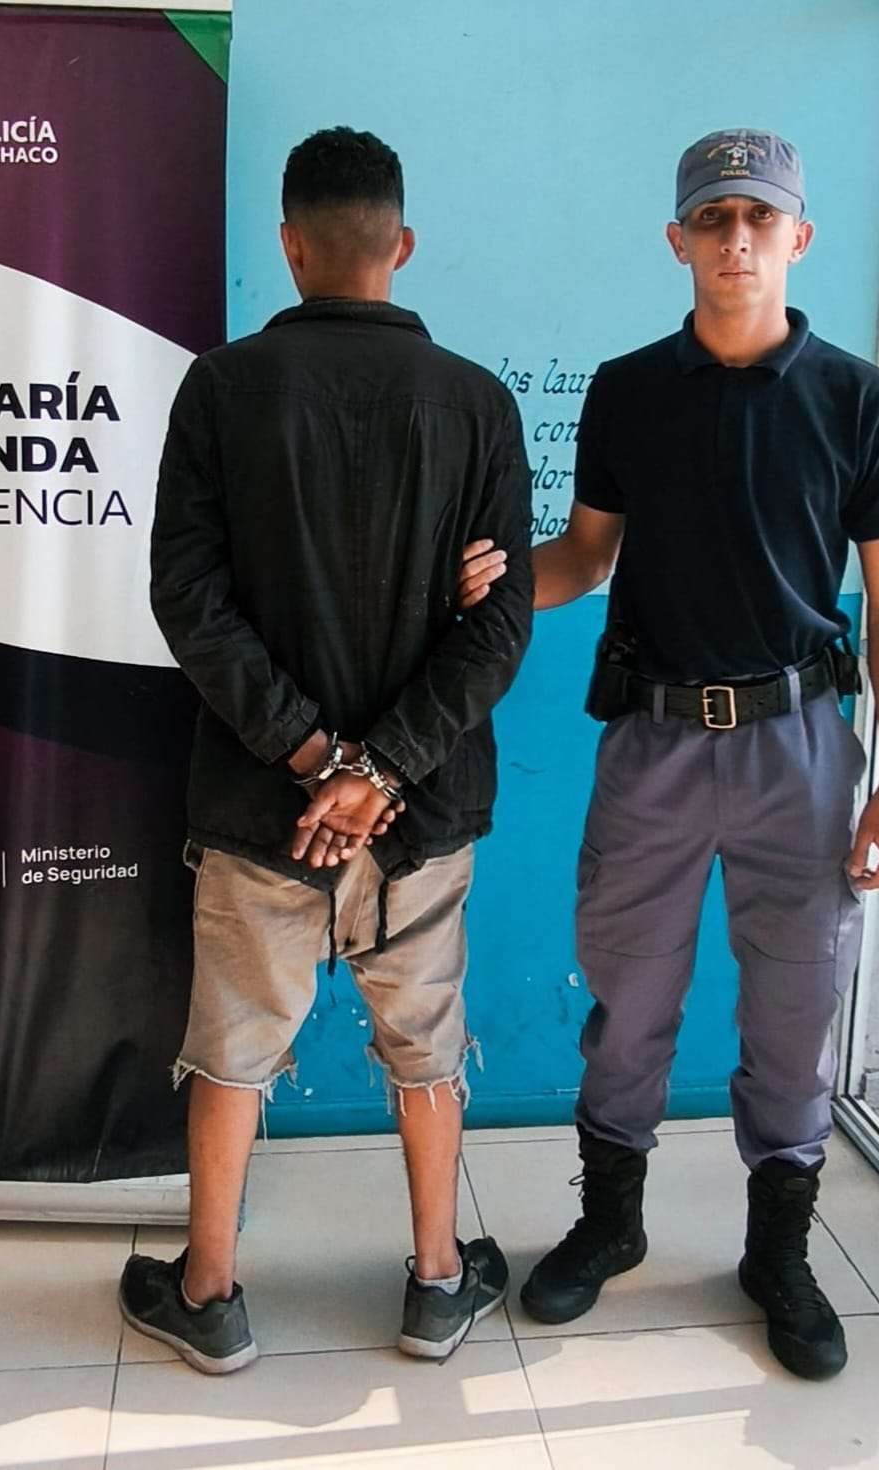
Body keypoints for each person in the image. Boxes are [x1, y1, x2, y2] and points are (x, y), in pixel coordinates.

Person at [460, 128, 879, 1381]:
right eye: (713, 219)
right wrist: (481, 583)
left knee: (794, 1006)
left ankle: (778, 1254)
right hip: (654, 744)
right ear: (676, 239)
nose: (736, 240)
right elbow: (584, 557)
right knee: (628, 1002)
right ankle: (610, 1224)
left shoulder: (856, 399)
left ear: (797, 237)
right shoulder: (628, 391)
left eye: (759, 218)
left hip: (801, 749)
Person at [119, 127, 533, 1374]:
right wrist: (381, 770)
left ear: (289, 246)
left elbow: (187, 600)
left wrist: (311, 759)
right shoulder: (477, 404)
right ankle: (436, 1283)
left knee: (233, 1048)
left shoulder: (221, 389)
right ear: (400, 245)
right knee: (426, 1046)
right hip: (422, 811)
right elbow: (499, 629)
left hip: (265, 806)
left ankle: (209, 1295)